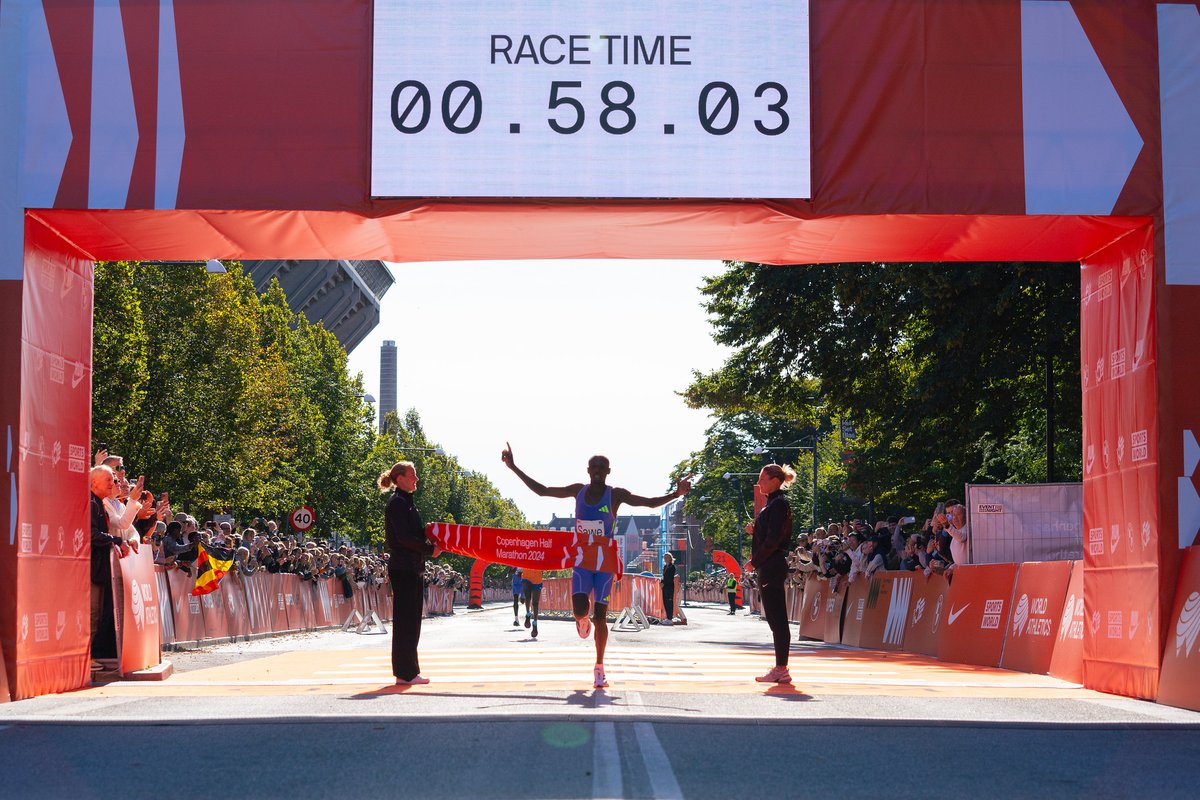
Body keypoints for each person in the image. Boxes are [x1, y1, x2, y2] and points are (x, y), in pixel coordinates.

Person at [502, 442, 690, 689]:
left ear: (609, 471)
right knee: (580, 609)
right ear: (588, 470)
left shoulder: (616, 494)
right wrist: (513, 467)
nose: (598, 470)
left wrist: (675, 495)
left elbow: (649, 503)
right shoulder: (577, 490)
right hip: (581, 559)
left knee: (601, 616)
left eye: (602, 466)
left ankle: (599, 667)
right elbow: (543, 491)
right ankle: (582, 620)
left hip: (605, 562)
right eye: (594, 466)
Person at [380, 461, 441, 686]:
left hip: (412, 566)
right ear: (400, 478)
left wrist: (429, 532)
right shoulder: (397, 503)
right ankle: (405, 673)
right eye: (413, 475)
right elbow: (404, 538)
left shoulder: (405, 502)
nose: (416, 479)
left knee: (412, 621)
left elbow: (412, 534)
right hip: (404, 567)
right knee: (406, 621)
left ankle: (408, 672)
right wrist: (429, 549)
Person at [744, 464, 797, 684]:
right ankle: (780, 667)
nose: (760, 484)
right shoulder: (774, 504)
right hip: (769, 566)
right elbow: (772, 534)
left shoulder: (778, 504)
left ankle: (781, 668)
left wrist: (754, 562)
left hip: (772, 565)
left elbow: (775, 539)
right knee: (774, 619)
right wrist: (756, 530)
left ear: (775, 480)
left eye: (763, 479)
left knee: (777, 619)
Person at [88, 465, 129, 671]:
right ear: (94, 482)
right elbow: (91, 534)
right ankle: (87, 657)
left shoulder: (99, 503)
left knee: (99, 612)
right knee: (93, 613)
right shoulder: (91, 503)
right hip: (92, 569)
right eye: (109, 480)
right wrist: (115, 539)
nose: (113, 484)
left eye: (113, 480)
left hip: (99, 569)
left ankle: (91, 655)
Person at [522, 567, 543, 638]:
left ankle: (535, 623)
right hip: (526, 576)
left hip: (537, 577)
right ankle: (528, 614)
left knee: (535, 603)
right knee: (527, 597)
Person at [660, 553, 676, 624]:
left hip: (669, 587)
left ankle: (670, 618)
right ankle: (667, 617)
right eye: (664, 557)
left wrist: (664, 583)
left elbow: (670, 578)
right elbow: (664, 577)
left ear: (670, 558)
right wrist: (661, 582)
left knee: (669, 602)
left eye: (666, 557)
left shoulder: (672, 567)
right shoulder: (665, 567)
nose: (665, 559)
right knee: (665, 602)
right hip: (664, 587)